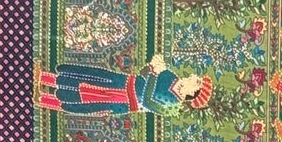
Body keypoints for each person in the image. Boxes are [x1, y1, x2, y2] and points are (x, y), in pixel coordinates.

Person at [35, 57, 212, 115]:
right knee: (89, 77)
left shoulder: (173, 105)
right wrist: (150, 67)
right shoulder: (171, 76)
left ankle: (43, 99)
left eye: (197, 82)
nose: (194, 76)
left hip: (124, 100)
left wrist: (153, 74)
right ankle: (44, 78)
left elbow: (148, 101)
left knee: (87, 100)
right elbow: (143, 75)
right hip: (125, 81)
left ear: (194, 92)